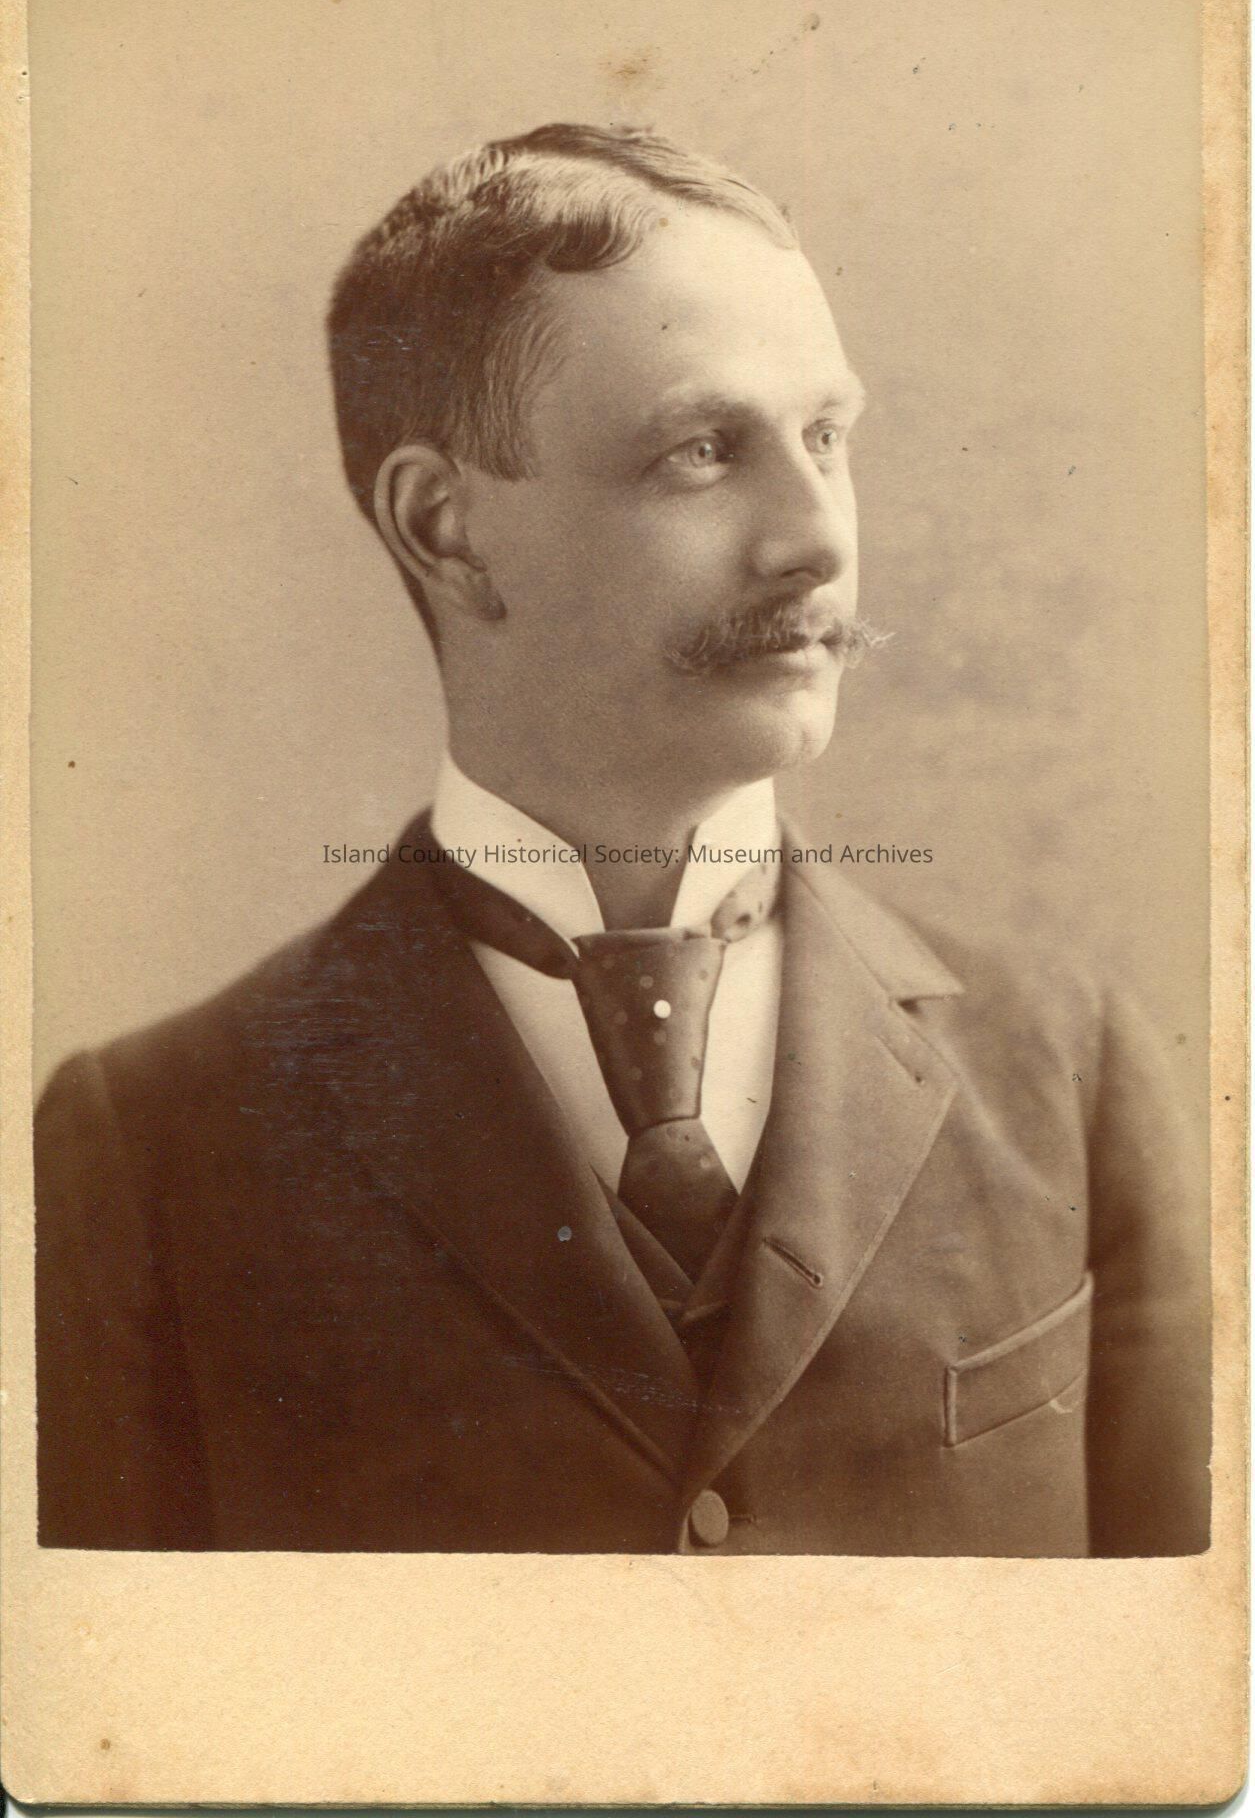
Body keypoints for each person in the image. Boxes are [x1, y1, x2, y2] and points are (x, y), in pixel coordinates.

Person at [34, 123, 1209, 1556]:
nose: (817, 540)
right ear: (446, 528)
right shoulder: (152, 1147)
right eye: (702, 452)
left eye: (826, 438)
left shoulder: (1072, 1073)